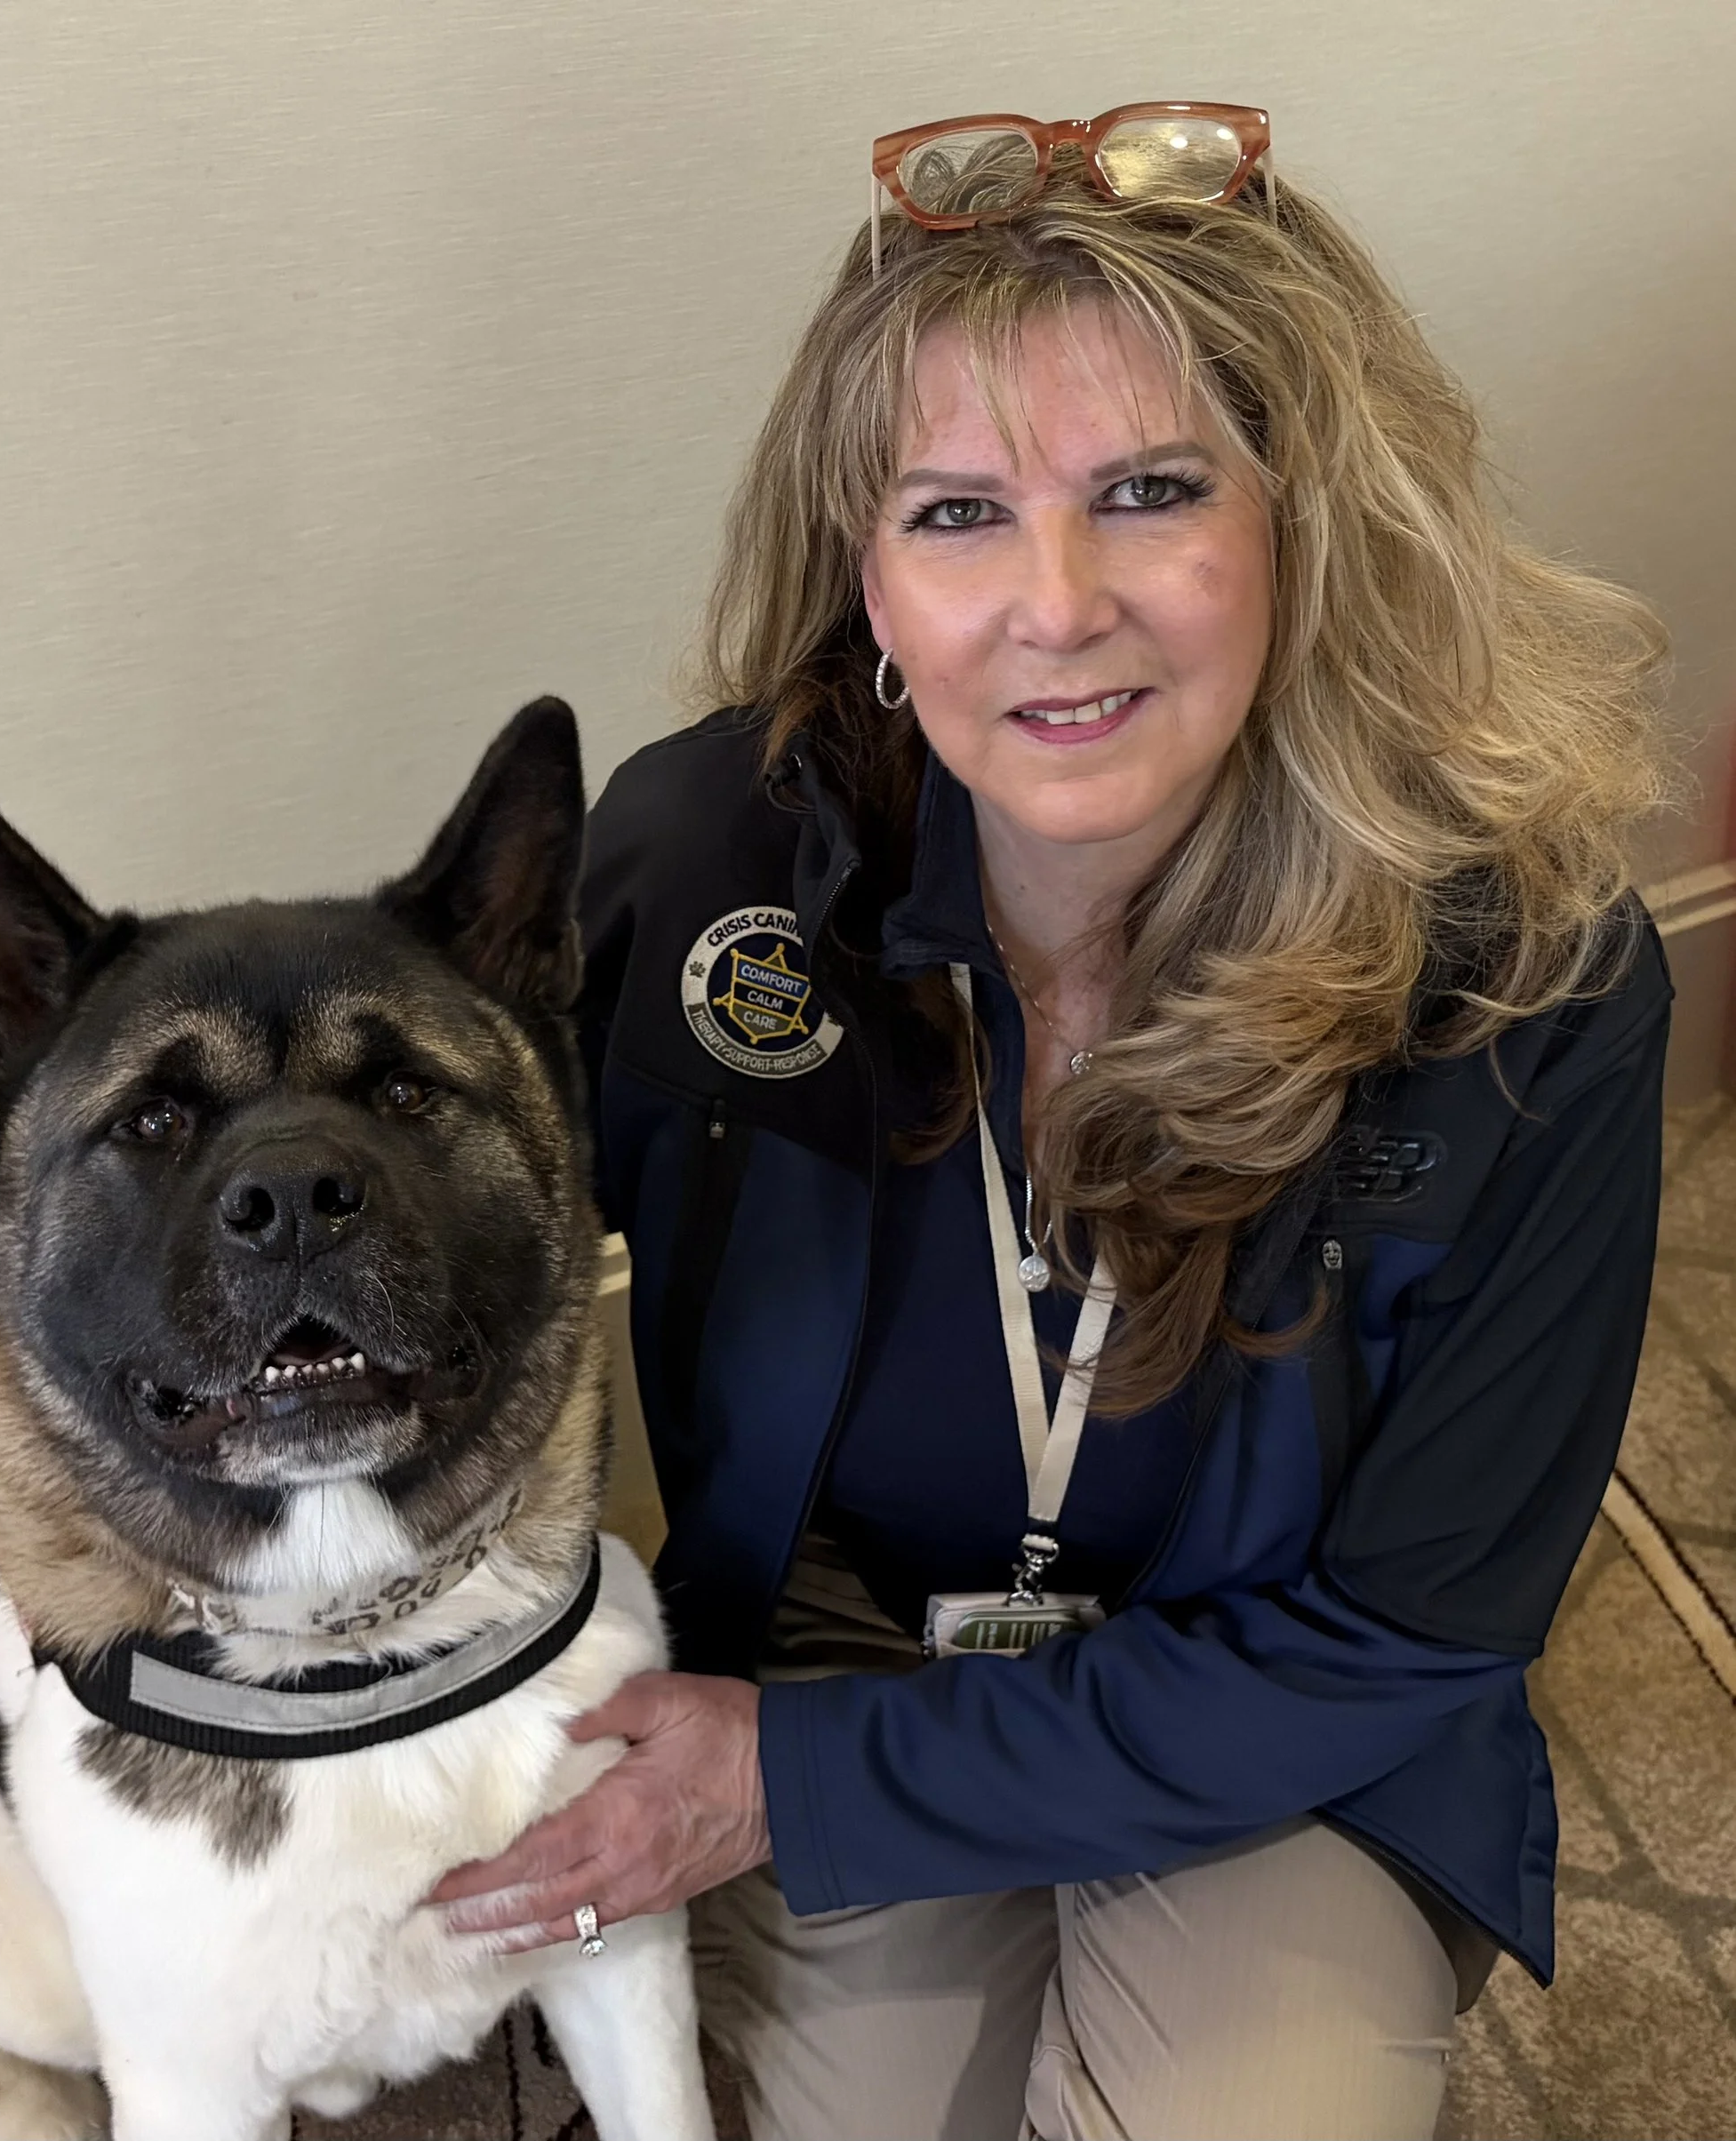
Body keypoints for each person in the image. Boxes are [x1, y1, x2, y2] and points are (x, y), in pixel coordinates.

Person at [429, 103, 1673, 2139]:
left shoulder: (1534, 973)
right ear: (864, 577)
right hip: (847, 1632)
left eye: (1151, 490)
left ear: (1308, 519)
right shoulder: (689, 861)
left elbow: (1411, 1631)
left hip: (1283, 1697)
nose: (1055, 602)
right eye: (954, 514)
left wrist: (785, 1792)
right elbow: (440, 1243)